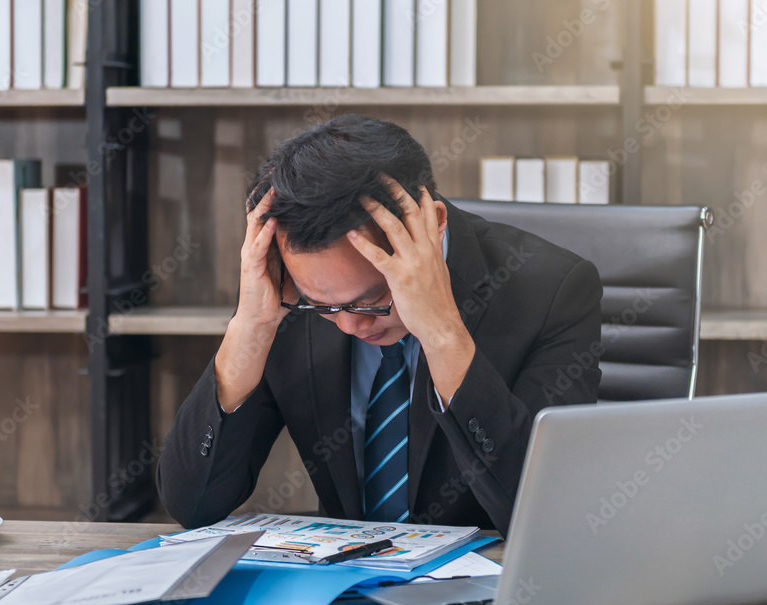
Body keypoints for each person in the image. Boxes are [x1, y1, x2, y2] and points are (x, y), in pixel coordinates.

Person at [156, 114, 602, 537]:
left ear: (435, 227)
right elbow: (194, 505)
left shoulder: (552, 291)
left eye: (371, 300)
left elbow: (548, 517)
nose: (349, 325)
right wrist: (249, 328)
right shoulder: (289, 293)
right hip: (346, 593)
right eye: (323, 305)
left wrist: (443, 334)